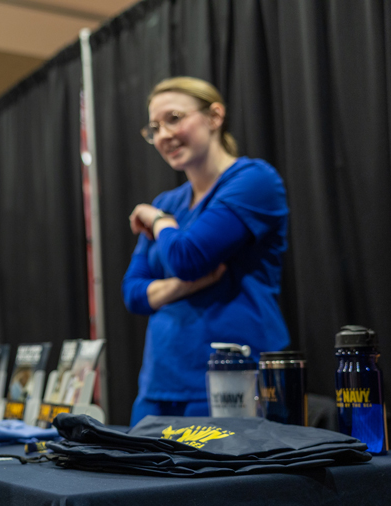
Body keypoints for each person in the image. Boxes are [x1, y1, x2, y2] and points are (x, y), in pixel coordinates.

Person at [122, 77, 290, 425]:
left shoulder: (254, 181)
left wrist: (158, 221)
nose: (163, 135)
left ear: (214, 116)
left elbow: (188, 258)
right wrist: (185, 285)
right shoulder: (169, 203)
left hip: (232, 378)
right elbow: (133, 293)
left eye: (174, 118)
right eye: (154, 128)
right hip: (159, 382)